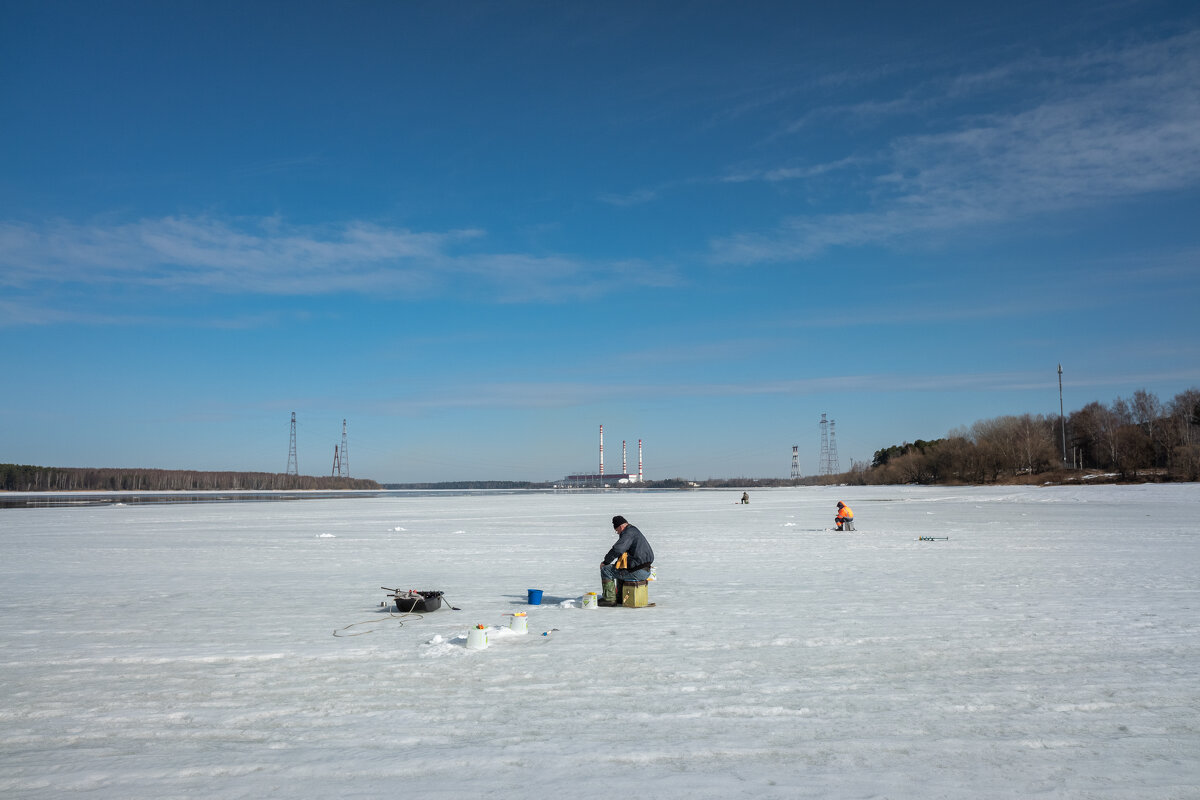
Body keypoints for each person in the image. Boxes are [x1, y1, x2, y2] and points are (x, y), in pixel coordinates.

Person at [599, 515, 654, 606]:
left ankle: (609, 599)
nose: (617, 533)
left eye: (617, 530)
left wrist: (605, 562)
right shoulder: (634, 531)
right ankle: (620, 598)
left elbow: (618, 549)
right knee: (620, 569)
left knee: (606, 570)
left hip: (638, 571)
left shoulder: (628, 533)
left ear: (620, 527)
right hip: (645, 570)